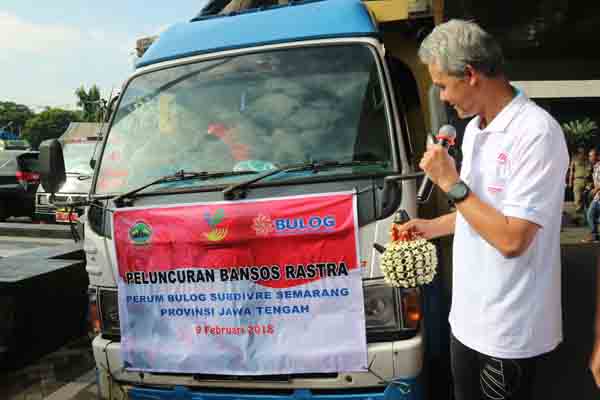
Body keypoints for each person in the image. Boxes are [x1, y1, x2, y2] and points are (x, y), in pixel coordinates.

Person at [399, 20, 569, 400]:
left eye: (443, 84)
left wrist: (451, 184)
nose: (441, 97)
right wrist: (431, 227)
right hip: (467, 320)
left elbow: (511, 238)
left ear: (471, 74)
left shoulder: (537, 133)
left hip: (508, 329)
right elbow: (478, 214)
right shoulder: (474, 130)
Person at [584, 148, 600, 242]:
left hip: (598, 196)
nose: (589, 158)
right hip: (597, 197)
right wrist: (590, 187)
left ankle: (594, 235)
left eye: (591, 156)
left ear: (597, 157)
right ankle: (594, 235)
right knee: (592, 214)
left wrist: (595, 189)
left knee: (590, 214)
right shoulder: (595, 168)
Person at [568, 147, 589, 212]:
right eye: (580, 152)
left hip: (587, 181)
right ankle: (579, 214)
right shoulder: (574, 160)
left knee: (586, 200)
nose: (581, 153)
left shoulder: (586, 159)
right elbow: (572, 171)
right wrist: (570, 182)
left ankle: (584, 215)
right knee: (577, 200)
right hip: (577, 180)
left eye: (582, 152)